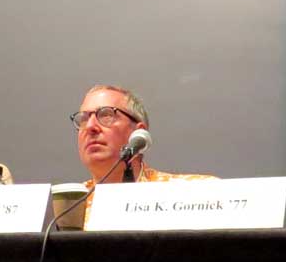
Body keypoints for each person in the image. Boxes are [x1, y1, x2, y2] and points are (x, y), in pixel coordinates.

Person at [71, 84, 215, 219]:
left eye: (106, 115)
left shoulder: (196, 192)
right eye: (83, 119)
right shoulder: (67, 208)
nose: (90, 127)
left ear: (138, 133)